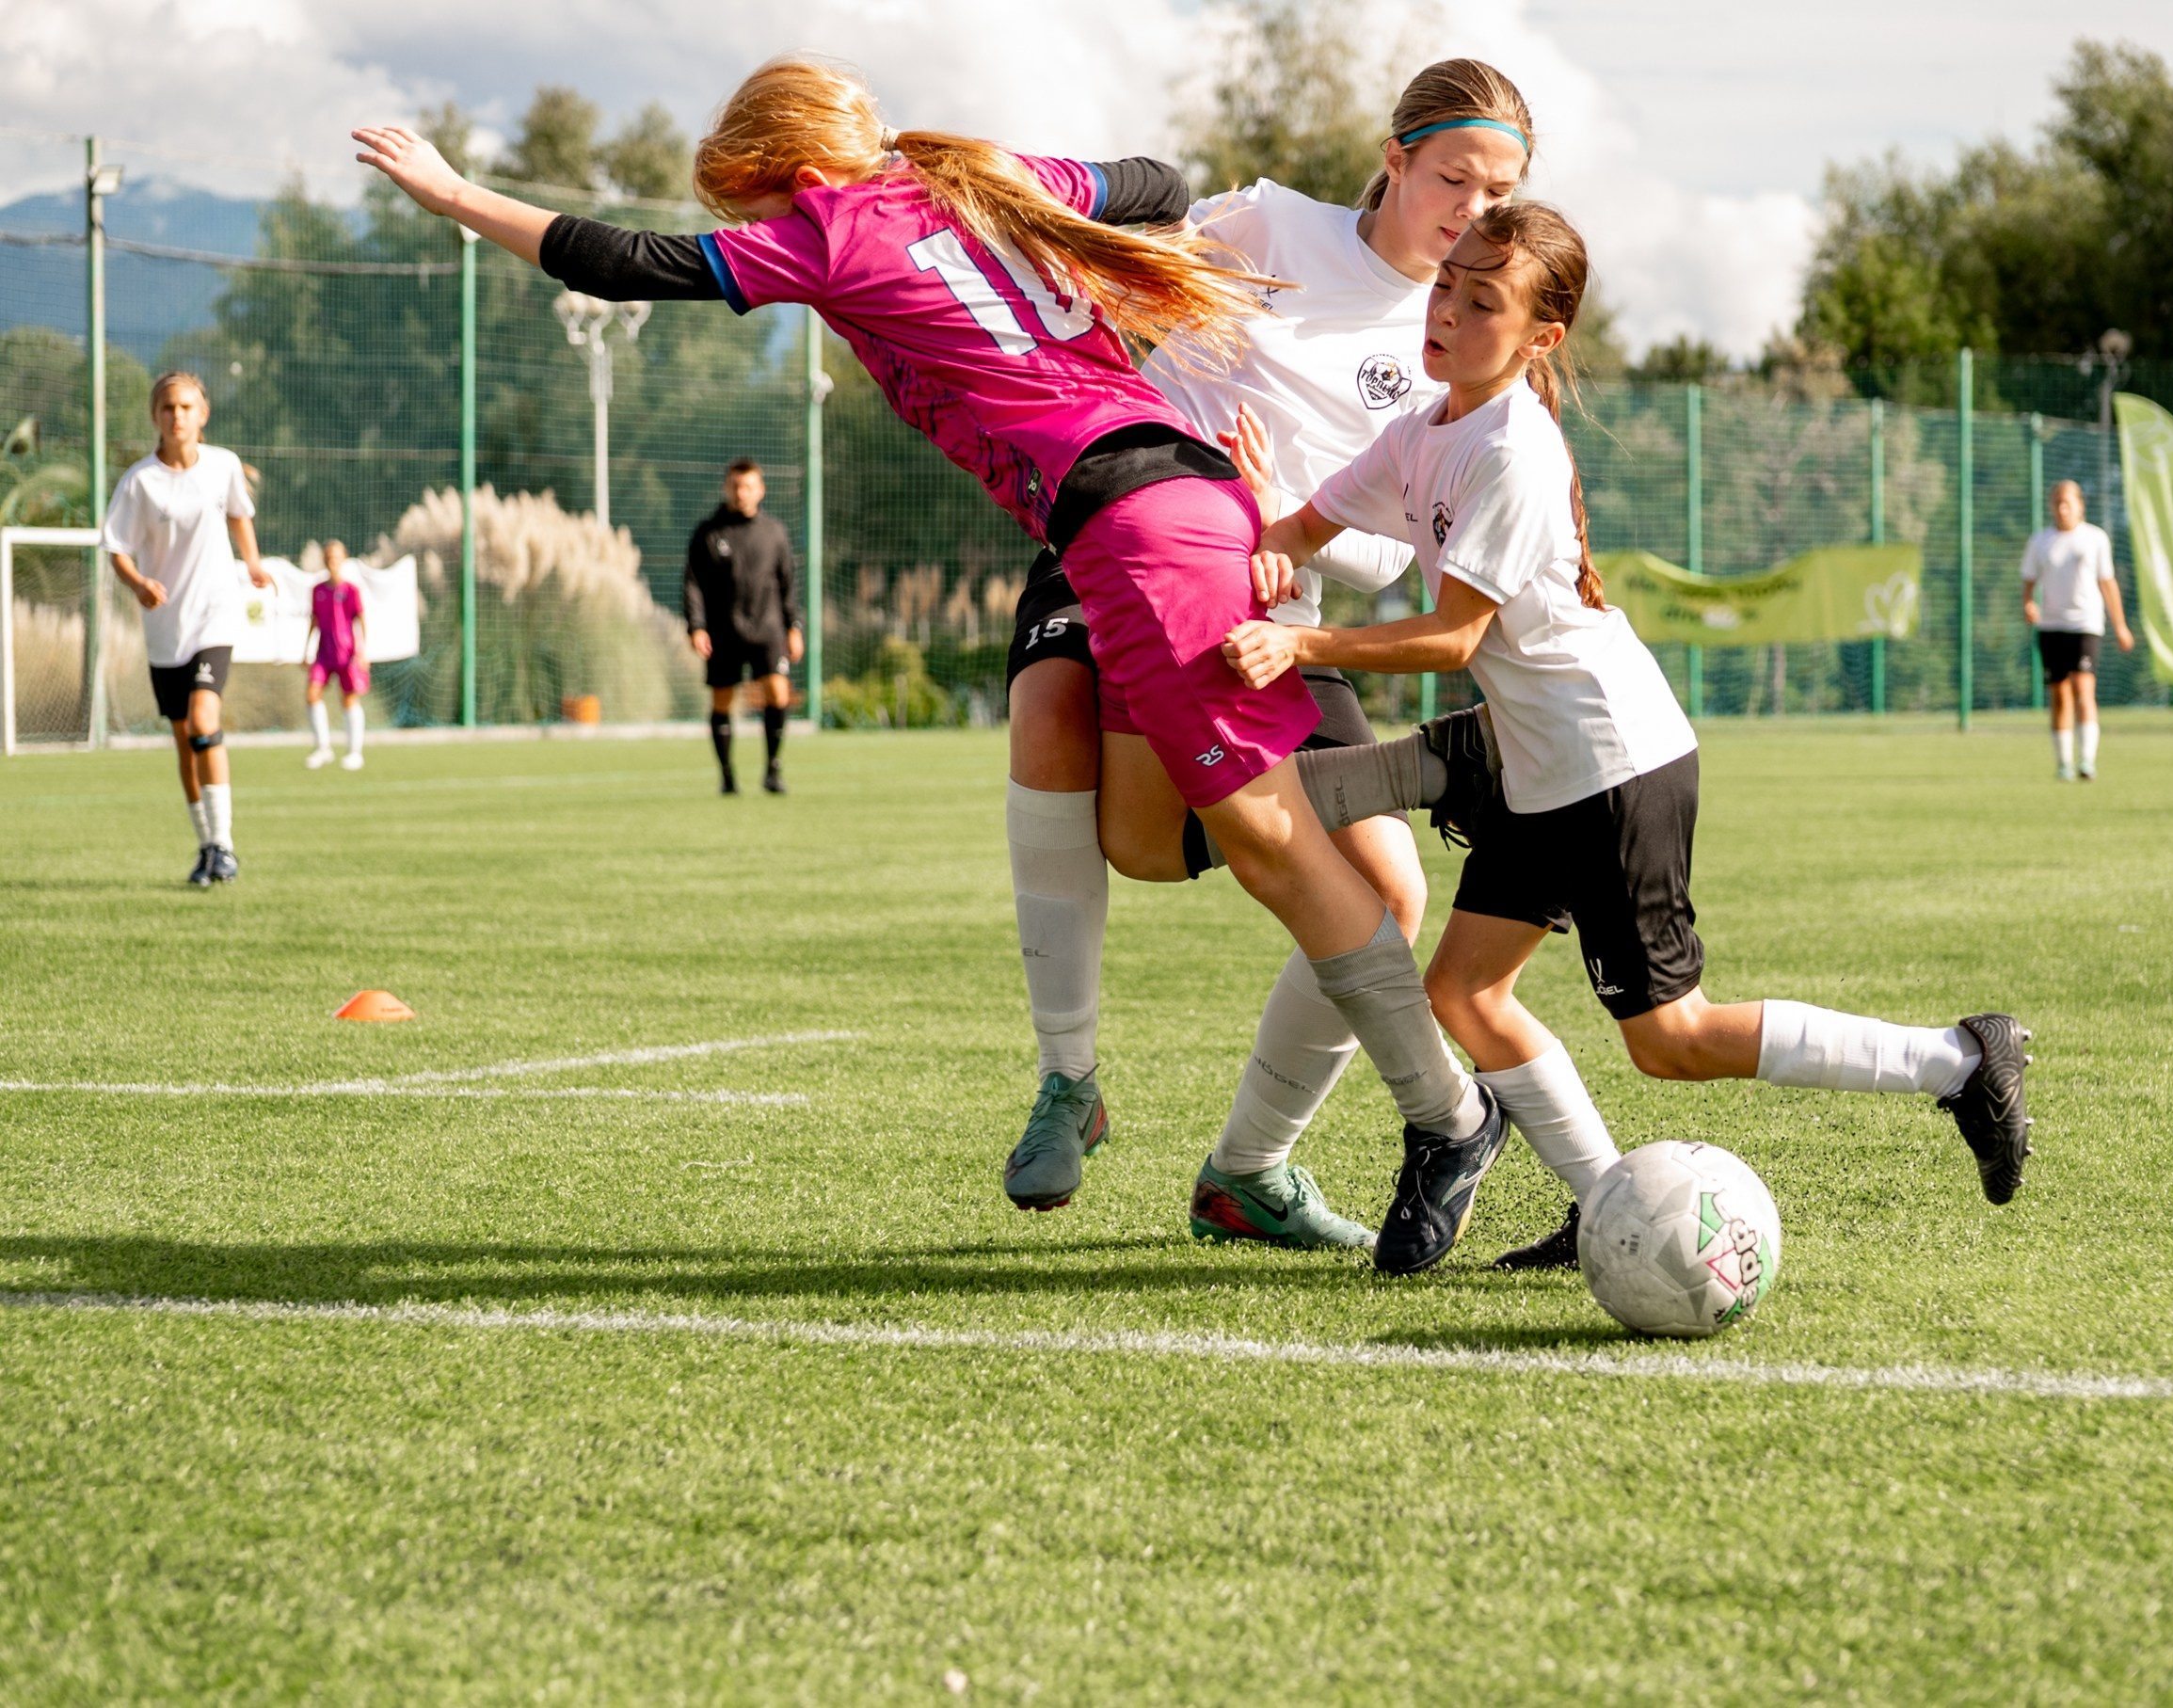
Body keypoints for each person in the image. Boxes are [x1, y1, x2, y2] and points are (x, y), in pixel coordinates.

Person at [355, 56, 1510, 1278]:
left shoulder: (837, 225)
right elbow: (1157, 182)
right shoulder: (973, 177)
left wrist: (454, 194)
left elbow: (621, 259)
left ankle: (1447, 1100)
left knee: (1278, 849)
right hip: (1170, 508)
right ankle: (1273, 994)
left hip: (1145, 528)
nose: (762, 230)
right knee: (1172, 829)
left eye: (753, 201)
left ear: (786, 173)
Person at [1223, 201, 2036, 1272]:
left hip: (1611, 765)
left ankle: (1956, 1060)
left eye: (1484, 300)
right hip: (1534, 764)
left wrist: (1303, 643)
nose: (1448, 310)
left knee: (1673, 1041)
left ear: (1540, 338)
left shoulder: (1510, 448)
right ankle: (1608, 1198)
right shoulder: (1422, 430)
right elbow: (1305, 528)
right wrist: (1254, 514)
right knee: (1464, 994)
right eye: (1448, 283)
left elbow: (1457, 637)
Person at [998, 58, 1534, 1248]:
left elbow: (1394, 559)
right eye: (1455, 179)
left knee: (1390, 889)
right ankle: (1067, 1078)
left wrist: (1281, 518)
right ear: (1394, 161)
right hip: (1129, 538)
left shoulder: (1464, 339)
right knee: (1048, 715)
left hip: (1279, 616)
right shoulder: (1265, 224)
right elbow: (1124, 270)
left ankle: (1250, 1170)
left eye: (1502, 194)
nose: (1475, 214)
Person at [101, 371, 274, 886]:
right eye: (168, 408)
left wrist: (255, 564)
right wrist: (137, 584)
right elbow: (116, 548)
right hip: (165, 628)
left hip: (214, 616)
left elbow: (239, 515)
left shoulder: (222, 466)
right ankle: (206, 847)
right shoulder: (140, 482)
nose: (177, 416)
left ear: (203, 414)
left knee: (203, 720)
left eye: (186, 407)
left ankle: (225, 845)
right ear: (155, 417)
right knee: (183, 739)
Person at [685, 457, 802, 794]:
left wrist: (794, 626)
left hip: (768, 628)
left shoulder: (775, 532)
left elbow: (787, 583)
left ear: (760, 490)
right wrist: (696, 626)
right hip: (724, 630)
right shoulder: (709, 532)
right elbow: (692, 583)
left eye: (748, 486)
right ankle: (727, 775)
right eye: (736, 486)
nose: (742, 493)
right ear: (726, 488)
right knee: (722, 701)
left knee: (778, 692)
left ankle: (772, 770)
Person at [2022, 480, 2133, 780]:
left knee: (2084, 687)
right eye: (2057, 502)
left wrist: (2120, 625)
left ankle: (2087, 760)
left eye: (2067, 502)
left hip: (2085, 623)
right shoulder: (2041, 541)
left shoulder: (2095, 538)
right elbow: (2029, 581)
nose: (2062, 508)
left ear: (2080, 505)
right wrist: (2029, 605)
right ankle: (2064, 763)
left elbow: (2107, 583)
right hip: (2051, 625)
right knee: (2060, 693)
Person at [304, 539, 369, 772]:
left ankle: (354, 752)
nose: (333, 561)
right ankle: (323, 748)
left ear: (343, 559)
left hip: (347, 654)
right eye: (329, 557)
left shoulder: (351, 590)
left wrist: (362, 652)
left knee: (349, 699)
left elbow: (361, 621)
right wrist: (306, 650)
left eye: (337, 557)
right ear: (325, 560)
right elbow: (314, 621)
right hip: (323, 653)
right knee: (312, 694)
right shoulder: (318, 590)